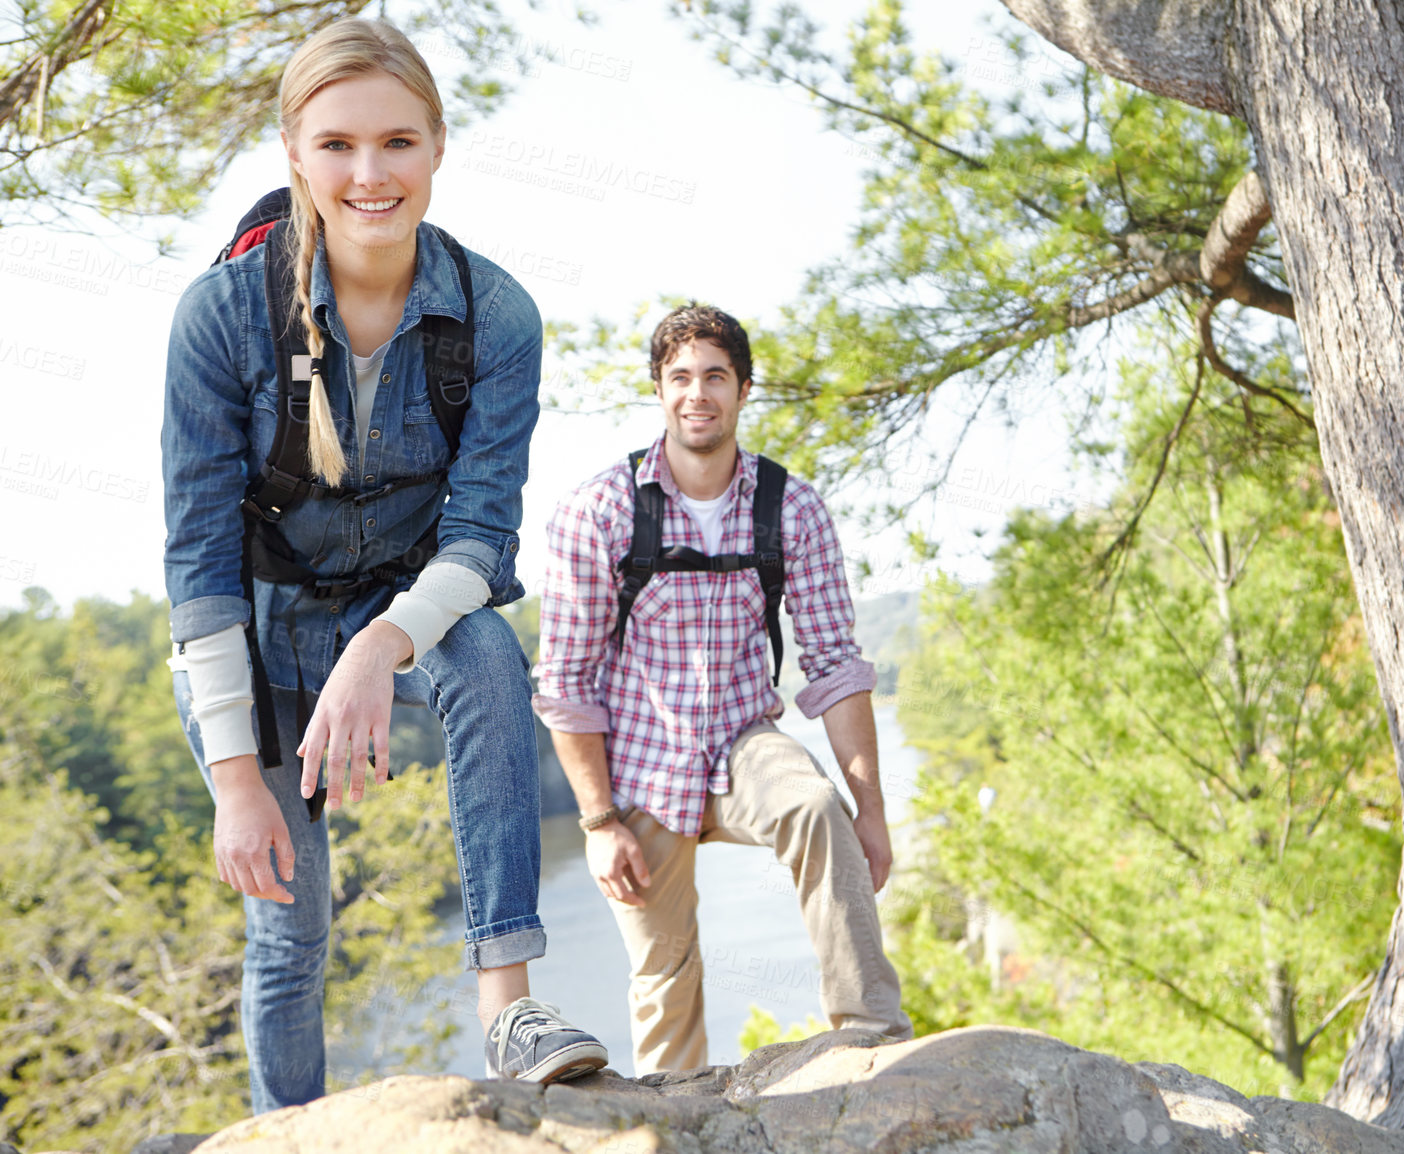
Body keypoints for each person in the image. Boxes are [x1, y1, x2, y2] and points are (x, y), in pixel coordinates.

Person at [161, 17, 605, 1112]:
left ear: (440, 148)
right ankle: (288, 1128)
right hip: (256, 638)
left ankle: (511, 1002)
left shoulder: (494, 314)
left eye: (399, 143)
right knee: (289, 932)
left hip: (402, 606)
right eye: (338, 146)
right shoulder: (223, 317)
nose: (370, 174)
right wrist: (233, 786)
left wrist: (379, 642)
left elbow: (483, 539)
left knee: (492, 657)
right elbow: (199, 560)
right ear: (293, 155)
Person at [535, 304, 914, 1073]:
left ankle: (871, 1040)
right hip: (638, 759)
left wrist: (869, 811)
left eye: (715, 377)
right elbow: (567, 682)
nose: (696, 394)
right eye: (680, 378)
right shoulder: (599, 511)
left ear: (743, 389)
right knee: (664, 979)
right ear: (659, 390)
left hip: (746, 743)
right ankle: (678, 1123)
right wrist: (599, 821)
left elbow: (836, 666)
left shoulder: (791, 507)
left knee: (816, 808)